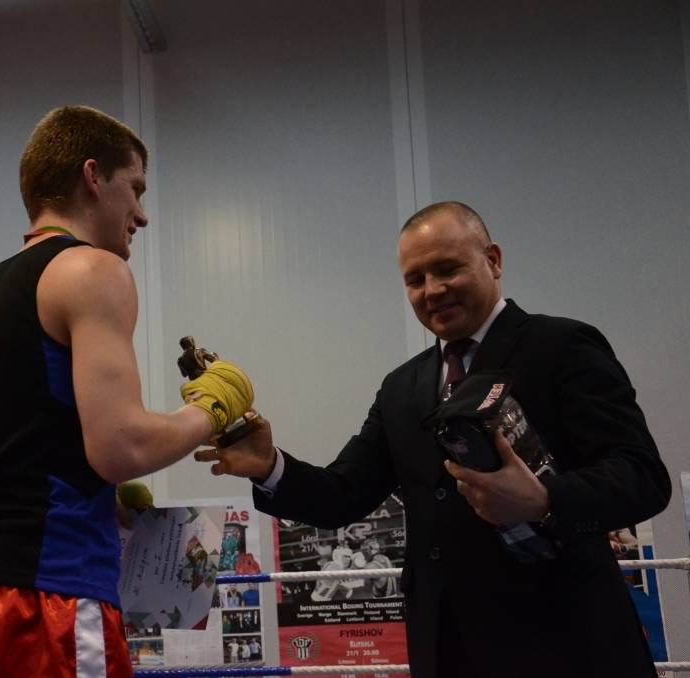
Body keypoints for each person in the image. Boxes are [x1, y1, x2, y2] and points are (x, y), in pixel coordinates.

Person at [196, 201, 671, 678]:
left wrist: (544, 500)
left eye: (448, 269)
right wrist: (269, 466)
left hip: (570, 646)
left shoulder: (563, 346)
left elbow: (642, 476)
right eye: (415, 279)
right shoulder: (401, 387)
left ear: (493, 260)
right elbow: (344, 493)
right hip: (447, 651)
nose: (433, 290)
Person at [0, 105, 255, 678]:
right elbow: (122, 447)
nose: (142, 215)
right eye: (136, 189)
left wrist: (82, 489)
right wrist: (212, 406)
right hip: (51, 604)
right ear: (93, 175)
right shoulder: (93, 270)